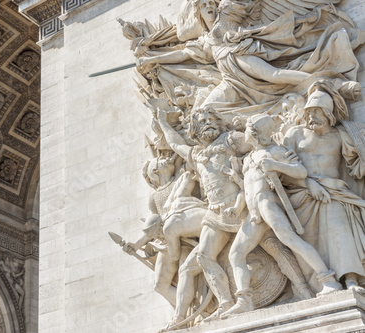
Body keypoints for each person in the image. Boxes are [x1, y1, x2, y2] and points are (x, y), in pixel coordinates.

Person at [137, 0, 364, 112]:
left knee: (276, 75)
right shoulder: (205, 41)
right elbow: (182, 53)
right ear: (198, 14)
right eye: (204, 5)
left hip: (241, 56)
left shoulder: (227, 12)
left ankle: (330, 84)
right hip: (231, 79)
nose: (209, 6)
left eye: (210, 3)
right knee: (203, 110)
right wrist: (151, 59)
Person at [221, 114, 342, 318]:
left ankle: (329, 280)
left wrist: (276, 165)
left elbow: (300, 172)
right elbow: (246, 188)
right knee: (236, 253)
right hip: (253, 213)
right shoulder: (247, 159)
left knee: (291, 240)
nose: (245, 133)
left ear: (255, 132)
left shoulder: (275, 151)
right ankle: (244, 300)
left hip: (268, 204)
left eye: (248, 129)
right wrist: (236, 206)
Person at [157, 106, 251, 326]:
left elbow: (258, 140)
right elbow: (175, 144)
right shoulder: (197, 154)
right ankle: (226, 303)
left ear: (219, 122)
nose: (207, 122)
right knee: (203, 257)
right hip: (216, 214)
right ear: (195, 131)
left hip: (241, 206)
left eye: (210, 118)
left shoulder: (231, 139)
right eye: (201, 121)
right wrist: (162, 121)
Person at [283, 80, 365, 293]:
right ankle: (321, 282)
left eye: (317, 112)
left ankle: (351, 279)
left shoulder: (340, 135)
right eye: (309, 112)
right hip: (302, 195)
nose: (311, 116)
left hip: (335, 194)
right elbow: (284, 167)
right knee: (310, 240)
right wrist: (308, 183)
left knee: (338, 226)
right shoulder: (295, 134)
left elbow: (356, 167)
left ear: (329, 114)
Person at [123, 156, 207, 306]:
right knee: (159, 285)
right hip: (166, 241)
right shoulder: (154, 198)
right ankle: (188, 309)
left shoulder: (180, 178)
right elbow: (152, 227)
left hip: (186, 238)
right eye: (160, 159)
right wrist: (135, 245)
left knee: (186, 274)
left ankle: (191, 308)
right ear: (156, 171)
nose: (167, 158)